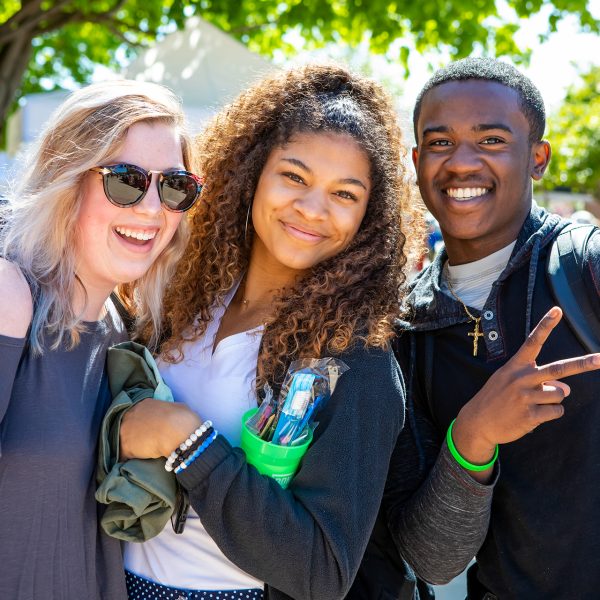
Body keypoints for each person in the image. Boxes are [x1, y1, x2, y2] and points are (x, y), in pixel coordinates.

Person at [116, 64, 482, 600]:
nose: (313, 209)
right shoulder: (178, 298)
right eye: (294, 176)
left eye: (345, 194)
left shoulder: (355, 362)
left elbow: (322, 571)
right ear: (251, 173)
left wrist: (188, 443)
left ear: (369, 216)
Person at [387, 57, 600, 599]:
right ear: (416, 162)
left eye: (490, 140)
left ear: (538, 158)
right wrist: (473, 438)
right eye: (439, 143)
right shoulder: (406, 330)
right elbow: (433, 560)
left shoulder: (586, 267)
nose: (461, 163)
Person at [0, 80, 202, 599]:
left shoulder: (125, 331)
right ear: (67, 179)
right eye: (126, 180)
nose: (153, 209)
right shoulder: (9, 297)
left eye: (175, 185)